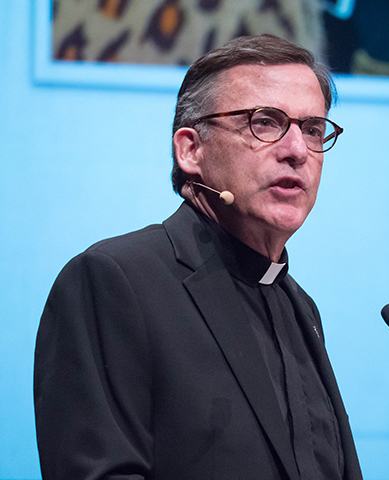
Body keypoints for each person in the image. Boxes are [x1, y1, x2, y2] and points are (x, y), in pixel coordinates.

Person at [33, 34, 362, 480]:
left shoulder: (300, 308)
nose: (297, 150)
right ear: (191, 149)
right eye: (264, 122)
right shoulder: (114, 281)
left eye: (312, 129)